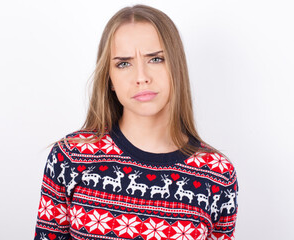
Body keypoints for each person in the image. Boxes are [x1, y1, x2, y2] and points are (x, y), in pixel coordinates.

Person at [33, 4, 238, 240]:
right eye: (124, 63)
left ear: (176, 67)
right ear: (109, 78)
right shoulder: (70, 157)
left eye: (156, 59)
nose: (141, 77)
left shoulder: (216, 174)